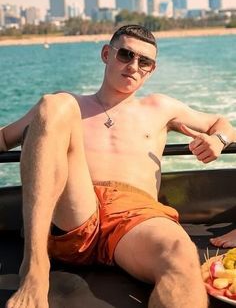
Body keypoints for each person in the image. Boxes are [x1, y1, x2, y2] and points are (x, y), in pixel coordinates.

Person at [0, 24, 235, 308]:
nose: (134, 66)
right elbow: (4, 138)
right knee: (53, 104)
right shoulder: (70, 108)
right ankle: (35, 267)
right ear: (106, 54)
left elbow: (220, 124)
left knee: (180, 252)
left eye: (144, 61)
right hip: (75, 208)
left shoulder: (160, 108)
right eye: (126, 54)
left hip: (136, 219)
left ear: (151, 70)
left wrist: (218, 140)